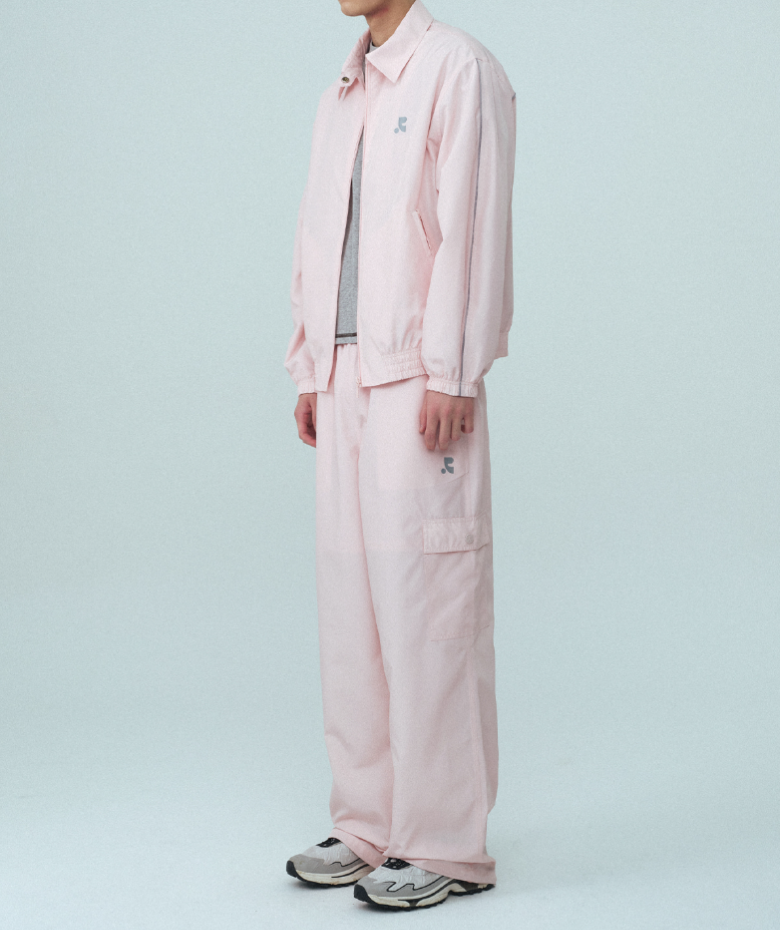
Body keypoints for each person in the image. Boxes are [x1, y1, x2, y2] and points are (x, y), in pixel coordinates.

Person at [283, 0, 516, 911]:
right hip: (345, 377)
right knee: (352, 610)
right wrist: (312, 364)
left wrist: (455, 369)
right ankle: (368, 825)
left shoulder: (458, 68)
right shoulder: (343, 89)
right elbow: (317, 236)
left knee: (430, 607)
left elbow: (473, 226)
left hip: (420, 376)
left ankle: (445, 843)